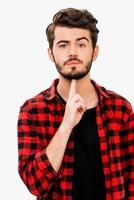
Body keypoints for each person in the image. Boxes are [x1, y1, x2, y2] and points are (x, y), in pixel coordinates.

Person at [17, 8, 134, 200]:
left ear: (94, 52)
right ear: (51, 54)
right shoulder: (32, 111)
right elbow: (35, 183)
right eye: (63, 45)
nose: (72, 52)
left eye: (81, 44)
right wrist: (66, 125)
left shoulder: (120, 109)